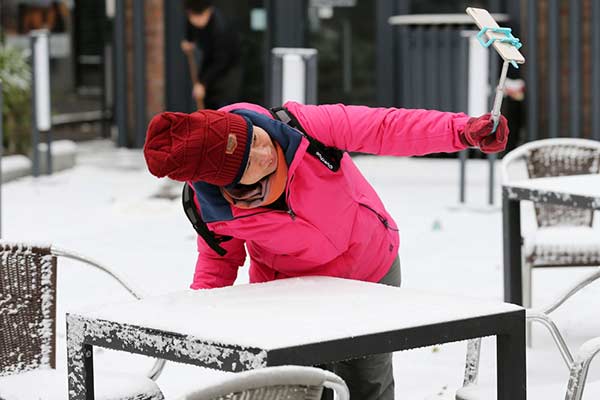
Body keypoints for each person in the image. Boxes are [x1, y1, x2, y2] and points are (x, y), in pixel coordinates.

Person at [143, 101, 509, 400]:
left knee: (369, 383)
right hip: (293, 294)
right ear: (228, 183)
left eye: (254, 138)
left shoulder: (301, 127)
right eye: (250, 160)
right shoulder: (212, 208)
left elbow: (385, 127)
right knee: (304, 388)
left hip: (369, 268)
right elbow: (218, 260)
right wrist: (200, 315)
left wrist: (462, 132)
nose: (264, 149)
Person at [181, 0, 242, 110]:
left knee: (221, 108)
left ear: (209, 11)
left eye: (200, 16)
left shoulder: (221, 29)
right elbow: (189, 27)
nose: (196, 21)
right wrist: (189, 41)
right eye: (193, 16)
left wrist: (203, 83)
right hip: (209, 65)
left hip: (226, 73)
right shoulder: (194, 18)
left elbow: (221, 61)